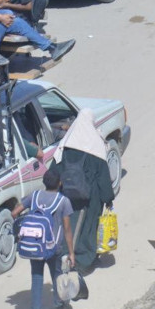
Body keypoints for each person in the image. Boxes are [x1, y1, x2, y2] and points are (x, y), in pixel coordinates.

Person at [46, 108, 114, 273]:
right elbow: (103, 176)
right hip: (91, 199)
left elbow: (53, 171)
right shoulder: (96, 146)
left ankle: (66, 256)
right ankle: (83, 261)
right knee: (88, 228)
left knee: (69, 226)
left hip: (67, 195)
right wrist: (108, 198)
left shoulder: (65, 145)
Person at [11, 167, 76, 309]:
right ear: (60, 183)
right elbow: (67, 229)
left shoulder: (35, 196)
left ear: (44, 182)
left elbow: (15, 213)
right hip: (54, 248)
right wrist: (71, 253)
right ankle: (59, 305)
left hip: (35, 247)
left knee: (37, 280)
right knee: (57, 275)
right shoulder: (63, 201)